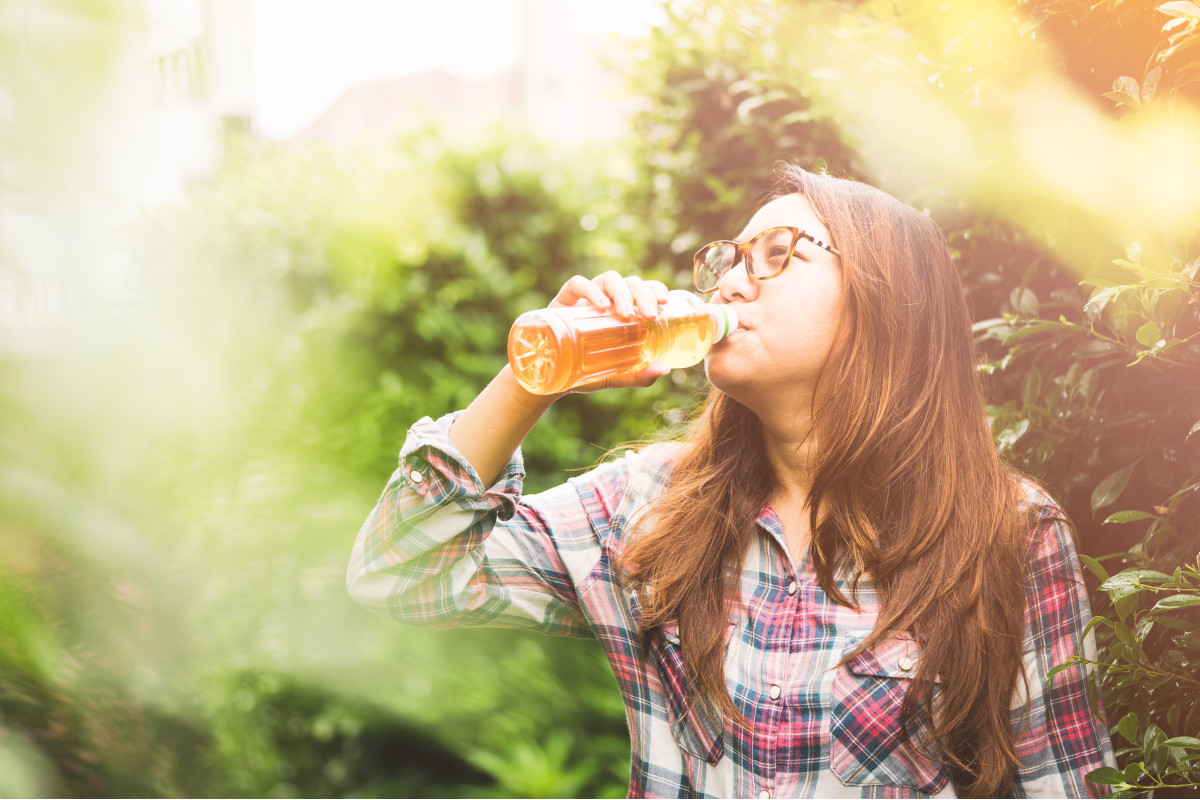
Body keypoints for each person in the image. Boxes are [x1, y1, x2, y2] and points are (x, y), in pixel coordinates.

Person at [346, 166, 1115, 798]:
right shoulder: (647, 507)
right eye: (731, 259)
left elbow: (1062, 785)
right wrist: (530, 379)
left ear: (886, 300)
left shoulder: (1005, 530)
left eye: (779, 253)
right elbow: (401, 569)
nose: (733, 285)